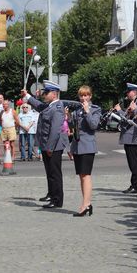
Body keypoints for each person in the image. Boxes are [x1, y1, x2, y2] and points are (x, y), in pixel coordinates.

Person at [21, 80, 68, 209]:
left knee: (55, 173)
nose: (44, 94)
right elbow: (38, 105)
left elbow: (55, 130)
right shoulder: (49, 106)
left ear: (54, 94)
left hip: (53, 146)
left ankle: (57, 200)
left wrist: (50, 147)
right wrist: (27, 96)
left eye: (47, 92)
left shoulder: (57, 108)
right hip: (47, 145)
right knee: (49, 172)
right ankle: (51, 194)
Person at [68, 86, 101, 217]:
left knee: (86, 175)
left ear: (90, 96)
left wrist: (87, 111)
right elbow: (73, 129)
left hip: (87, 146)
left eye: (86, 95)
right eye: (81, 96)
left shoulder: (95, 109)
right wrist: (68, 117)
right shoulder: (77, 110)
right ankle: (87, 203)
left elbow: (93, 125)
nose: (83, 98)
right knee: (81, 175)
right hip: (77, 146)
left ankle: (86, 204)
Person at [114, 82, 137, 194]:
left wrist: (119, 111)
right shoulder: (132, 103)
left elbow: (129, 120)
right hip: (128, 137)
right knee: (131, 162)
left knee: (134, 163)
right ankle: (133, 184)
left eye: (129, 92)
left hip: (132, 137)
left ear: (134, 92)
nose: (127, 94)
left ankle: (136, 186)